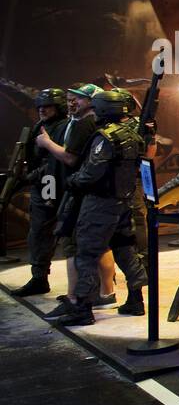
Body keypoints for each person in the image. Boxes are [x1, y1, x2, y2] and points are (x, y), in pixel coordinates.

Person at [49, 89, 148, 326]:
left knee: (86, 254)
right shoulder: (134, 135)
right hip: (122, 202)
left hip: (99, 205)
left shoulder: (106, 137)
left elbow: (91, 174)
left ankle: (83, 308)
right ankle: (136, 299)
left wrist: (72, 181)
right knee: (125, 250)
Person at [35, 84, 115, 311]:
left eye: (78, 99)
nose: (72, 102)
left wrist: (47, 143)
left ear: (92, 101)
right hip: (83, 190)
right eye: (70, 98)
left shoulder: (85, 124)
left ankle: (75, 299)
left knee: (72, 243)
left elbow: (70, 159)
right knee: (97, 243)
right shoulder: (87, 122)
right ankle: (105, 293)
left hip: (80, 191)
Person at [13, 88, 68, 297]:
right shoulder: (41, 125)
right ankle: (39, 277)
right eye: (40, 106)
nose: (42, 110)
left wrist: (32, 176)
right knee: (37, 233)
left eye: (48, 106)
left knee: (62, 234)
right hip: (45, 184)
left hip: (54, 183)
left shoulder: (64, 127)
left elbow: (57, 160)